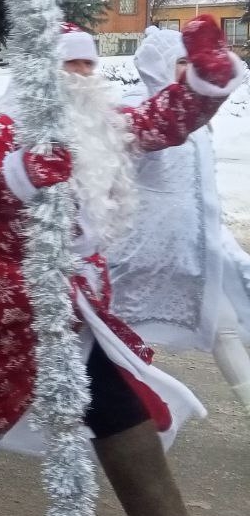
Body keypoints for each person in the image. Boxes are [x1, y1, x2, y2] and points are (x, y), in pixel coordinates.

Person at [0, 16, 250, 516]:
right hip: (22, 293)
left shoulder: (101, 125)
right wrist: (25, 173)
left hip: (86, 295)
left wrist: (204, 84)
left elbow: (161, 121)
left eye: (88, 62)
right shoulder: (0, 128)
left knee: (111, 394)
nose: (82, 73)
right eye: (68, 62)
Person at [105, 27, 250, 416]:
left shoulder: (193, 117)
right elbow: (111, 182)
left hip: (189, 249)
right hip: (140, 255)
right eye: (180, 62)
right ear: (160, 63)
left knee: (223, 325)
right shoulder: (137, 110)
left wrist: (218, 242)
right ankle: (115, 417)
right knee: (118, 337)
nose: (188, 70)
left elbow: (200, 193)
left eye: (191, 62)